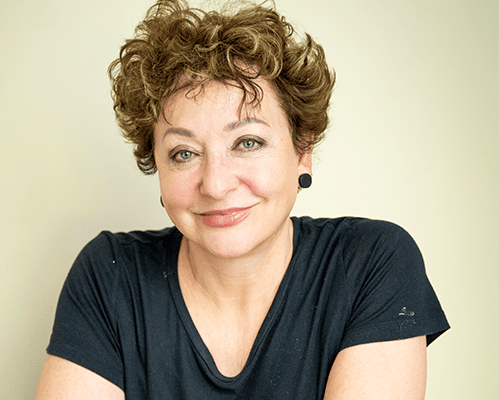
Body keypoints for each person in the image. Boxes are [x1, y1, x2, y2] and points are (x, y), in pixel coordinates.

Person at [35, 0, 449, 398]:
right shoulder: (109, 277)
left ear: (302, 152)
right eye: (184, 153)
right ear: (157, 165)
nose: (215, 185)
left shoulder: (370, 263)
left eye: (248, 142)